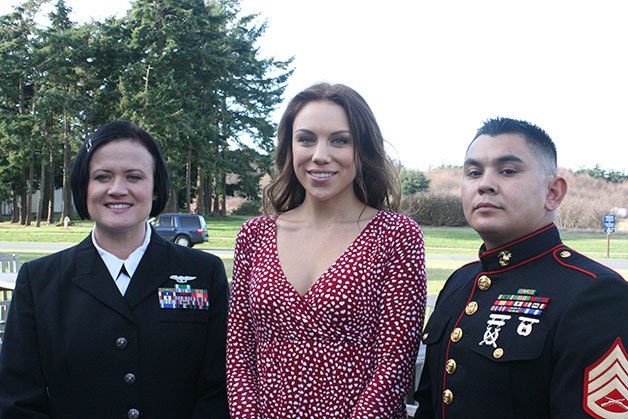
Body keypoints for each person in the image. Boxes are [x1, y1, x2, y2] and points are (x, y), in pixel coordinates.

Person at [0, 120, 230, 418]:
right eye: (102, 177)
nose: (117, 189)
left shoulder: (203, 273)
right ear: (84, 187)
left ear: (156, 188)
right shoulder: (39, 281)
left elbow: (219, 389)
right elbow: (17, 400)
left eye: (134, 177)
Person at [226, 82, 427, 418]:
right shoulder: (254, 235)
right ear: (289, 148)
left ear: (362, 149)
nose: (320, 154)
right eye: (306, 139)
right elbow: (239, 354)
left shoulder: (395, 236)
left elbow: (394, 364)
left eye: (339, 140)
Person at [414, 117, 628, 418]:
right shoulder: (460, 282)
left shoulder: (595, 293)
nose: (485, 184)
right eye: (474, 172)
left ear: (553, 193)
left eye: (508, 171)